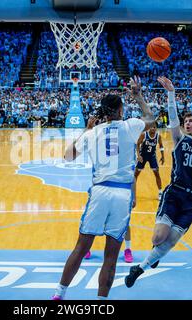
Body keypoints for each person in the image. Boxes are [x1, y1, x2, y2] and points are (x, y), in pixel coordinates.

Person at [52, 76, 155, 300]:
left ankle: (59, 293)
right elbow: (151, 117)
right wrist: (138, 95)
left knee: (81, 247)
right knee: (111, 256)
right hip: (122, 193)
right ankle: (101, 301)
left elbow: (67, 156)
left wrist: (85, 130)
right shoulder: (130, 126)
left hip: (100, 191)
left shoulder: (93, 132)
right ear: (120, 110)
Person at [125, 75, 192, 288]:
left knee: (172, 240)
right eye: (186, 121)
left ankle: (139, 268)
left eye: (191, 120)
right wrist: (171, 93)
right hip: (175, 193)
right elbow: (173, 118)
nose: (187, 123)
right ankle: (154, 255)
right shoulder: (179, 139)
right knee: (159, 238)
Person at [123, 123, 165, 263]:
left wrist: (163, 155)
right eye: (151, 127)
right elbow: (137, 144)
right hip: (143, 157)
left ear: (156, 128)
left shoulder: (158, 136)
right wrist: (138, 155)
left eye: (154, 127)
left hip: (152, 157)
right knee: (135, 175)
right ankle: (132, 190)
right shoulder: (144, 135)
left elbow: (161, 146)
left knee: (157, 174)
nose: (152, 129)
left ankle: (160, 192)